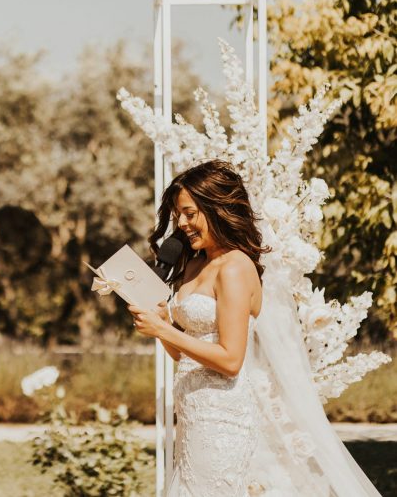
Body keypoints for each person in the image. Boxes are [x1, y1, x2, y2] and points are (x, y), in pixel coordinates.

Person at [129, 159, 382, 496]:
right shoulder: (194, 263)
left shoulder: (235, 267)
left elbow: (231, 360)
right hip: (192, 414)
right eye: (178, 215)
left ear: (216, 208)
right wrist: (161, 322)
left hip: (223, 418)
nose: (183, 223)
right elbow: (184, 353)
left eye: (190, 213)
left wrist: (164, 331)